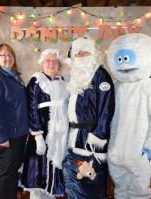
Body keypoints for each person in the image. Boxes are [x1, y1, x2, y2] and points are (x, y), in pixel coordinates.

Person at [107, 33, 151, 199]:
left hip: (140, 149)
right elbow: (111, 116)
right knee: (120, 188)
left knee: (140, 190)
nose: (125, 64)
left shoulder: (150, 85)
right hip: (117, 149)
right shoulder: (117, 86)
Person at [62, 36, 115, 199]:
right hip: (73, 139)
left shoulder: (101, 75)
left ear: (92, 54)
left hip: (91, 140)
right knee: (73, 184)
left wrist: (98, 137)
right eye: (78, 53)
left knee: (91, 184)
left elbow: (107, 108)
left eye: (85, 52)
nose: (82, 55)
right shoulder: (74, 76)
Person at [0, 43, 29, 199]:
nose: (8, 58)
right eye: (4, 55)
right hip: (5, 136)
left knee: (12, 175)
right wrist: (2, 136)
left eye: (10, 55)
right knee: (6, 176)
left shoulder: (14, 76)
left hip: (17, 135)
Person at [21, 49, 69, 199]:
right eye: (47, 61)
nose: (51, 63)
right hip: (42, 134)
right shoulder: (37, 80)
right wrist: (37, 135)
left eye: (54, 61)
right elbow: (32, 107)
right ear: (42, 63)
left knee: (54, 173)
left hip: (60, 134)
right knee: (40, 172)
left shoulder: (63, 81)